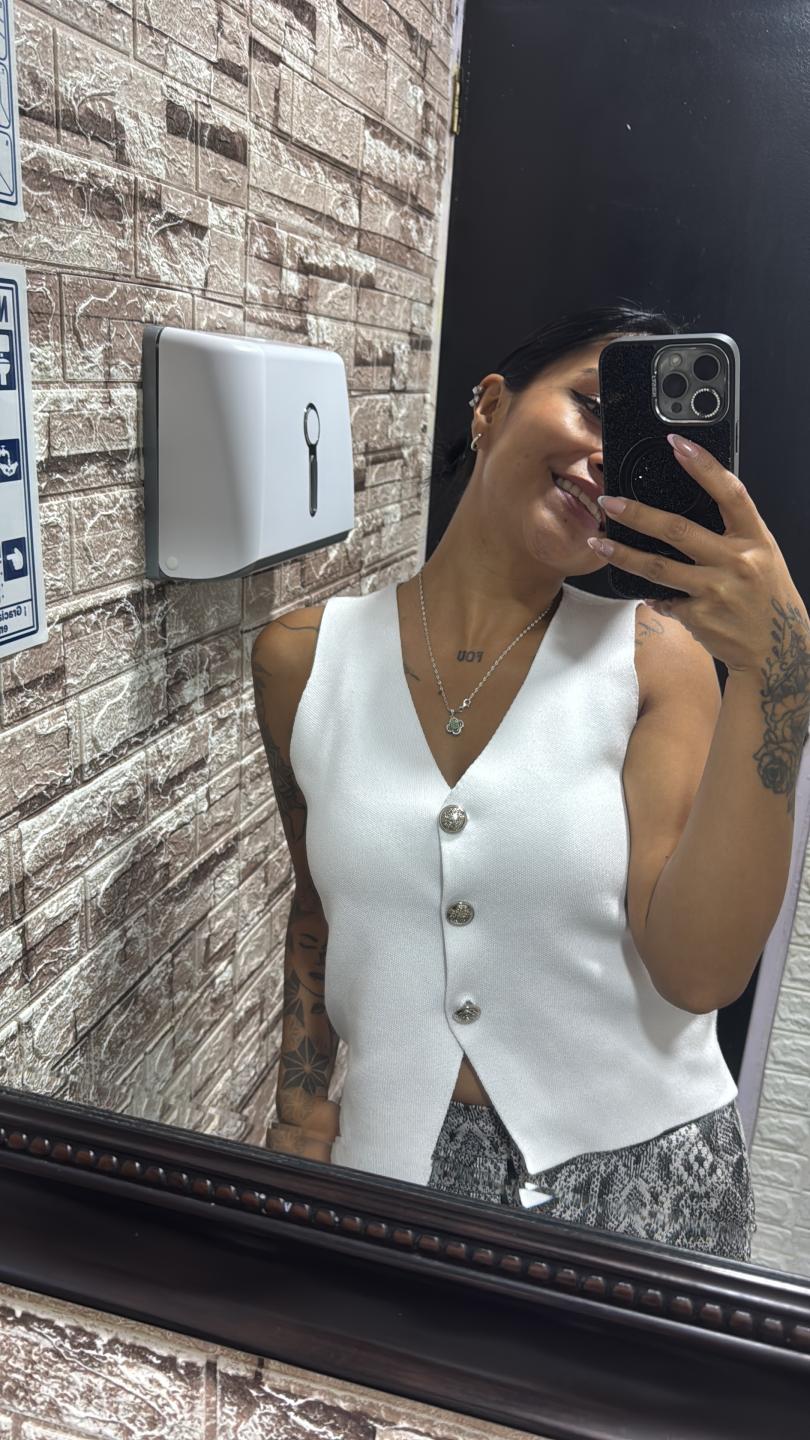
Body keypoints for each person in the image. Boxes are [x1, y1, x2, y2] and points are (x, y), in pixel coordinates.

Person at [251, 303, 757, 1261]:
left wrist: (781, 677)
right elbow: (316, 905)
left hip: (643, 1187)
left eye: (646, 450)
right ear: (490, 406)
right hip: (386, 1166)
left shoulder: (657, 660)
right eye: (593, 407)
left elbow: (698, 973)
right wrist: (300, 1114)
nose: (608, 460)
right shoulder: (302, 661)